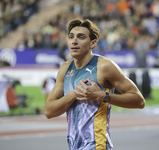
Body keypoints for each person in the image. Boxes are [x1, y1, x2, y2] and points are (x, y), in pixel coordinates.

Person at [45, 19, 145, 150]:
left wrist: (103, 96)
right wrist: (73, 94)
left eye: (81, 37)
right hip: (73, 146)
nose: (74, 41)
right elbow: (49, 111)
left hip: (97, 145)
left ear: (92, 43)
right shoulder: (65, 69)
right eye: (71, 37)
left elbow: (139, 101)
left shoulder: (104, 66)